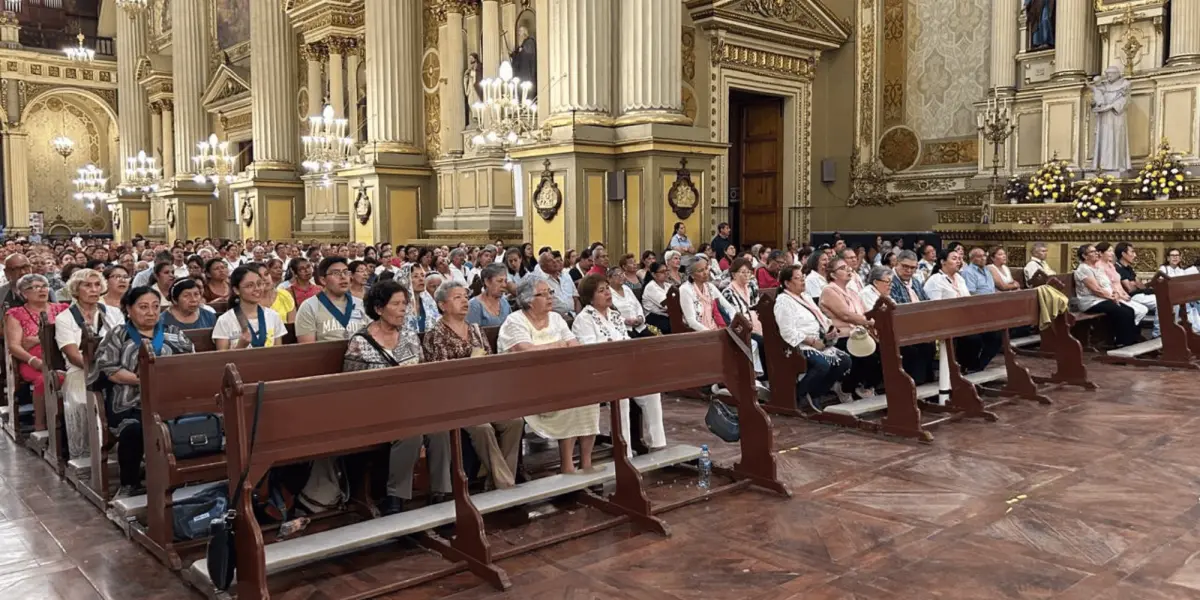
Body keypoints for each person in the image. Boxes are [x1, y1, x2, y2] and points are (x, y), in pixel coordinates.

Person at [342, 279, 450, 515]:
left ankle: (442, 492)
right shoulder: (361, 341)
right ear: (379, 308)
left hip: (411, 405)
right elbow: (351, 387)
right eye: (397, 304)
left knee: (439, 429)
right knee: (410, 433)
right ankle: (396, 497)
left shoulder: (409, 336)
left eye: (405, 303)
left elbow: (422, 372)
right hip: (376, 409)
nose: (403, 309)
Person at [94, 286, 194, 498]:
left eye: (156, 307)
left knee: (191, 423)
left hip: (169, 400)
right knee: (134, 431)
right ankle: (129, 483)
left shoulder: (173, 333)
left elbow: (191, 361)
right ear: (128, 309)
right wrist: (144, 380)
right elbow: (110, 369)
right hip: (129, 403)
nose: (151, 312)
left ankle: (184, 480)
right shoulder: (118, 335)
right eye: (143, 307)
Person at [425, 280, 524, 490]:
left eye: (465, 296)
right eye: (457, 297)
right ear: (443, 305)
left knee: (515, 422)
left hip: (482, 395)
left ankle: (495, 479)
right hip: (455, 400)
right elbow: (441, 376)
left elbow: (490, 364)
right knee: (482, 428)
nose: (464, 301)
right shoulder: (436, 334)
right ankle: (507, 485)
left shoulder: (476, 330)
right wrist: (469, 363)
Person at [498, 275, 594, 474]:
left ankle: (586, 462)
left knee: (589, 398)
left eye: (550, 292)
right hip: (525, 386)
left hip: (559, 379)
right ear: (528, 300)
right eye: (543, 294)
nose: (550, 297)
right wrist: (558, 345)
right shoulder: (514, 321)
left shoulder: (556, 319)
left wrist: (552, 347)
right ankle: (567, 465)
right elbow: (525, 351)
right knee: (570, 398)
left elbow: (575, 347)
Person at [572, 274, 665, 453]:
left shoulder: (615, 315)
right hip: (599, 374)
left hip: (623, 370)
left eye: (607, 288)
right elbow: (591, 352)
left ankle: (658, 445)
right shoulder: (584, 319)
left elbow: (625, 342)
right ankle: (625, 452)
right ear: (590, 298)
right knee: (620, 398)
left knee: (652, 391)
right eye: (601, 290)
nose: (608, 292)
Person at [56, 268, 125, 460]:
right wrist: (102, 369)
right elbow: (72, 355)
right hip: (81, 372)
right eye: (87, 285)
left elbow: (124, 344)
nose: (94, 289)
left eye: (97, 285)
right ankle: (87, 455)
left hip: (115, 369)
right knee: (84, 401)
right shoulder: (64, 318)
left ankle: (124, 450)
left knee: (130, 398)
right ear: (76, 290)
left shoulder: (113, 313)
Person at [774, 265, 851, 411]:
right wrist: (812, 342)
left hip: (818, 340)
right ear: (787, 283)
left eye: (803, 276)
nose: (802, 280)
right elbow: (787, 331)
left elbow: (823, 318)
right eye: (797, 278)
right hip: (799, 345)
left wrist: (830, 330)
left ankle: (816, 392)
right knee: (822, 364)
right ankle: (798, 394)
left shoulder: (806, 296)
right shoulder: (784, 301)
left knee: (845, 361)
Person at [926, 249, 1002, 372]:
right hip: (946, 322)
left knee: (996, 335)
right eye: (954, 259)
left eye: (959, 259)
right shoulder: (936, 280)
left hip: (964, 320)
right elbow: (934, 306)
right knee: (973, 339)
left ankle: (976, 367)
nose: (958, 261)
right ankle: (964, 367)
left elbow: (967, 300)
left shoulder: (959, 278)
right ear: (943, 262)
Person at [819, 257, 881, 399]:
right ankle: (845, 387)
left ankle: (864, 386)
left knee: (884, 352)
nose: (848, 269)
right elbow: (846, 316)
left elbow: (865, 313)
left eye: (848, 267)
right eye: (842, 268)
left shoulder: (852, 292)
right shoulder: (829, 291)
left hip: (859, 334)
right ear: (833, 275)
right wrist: (870, 322)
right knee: (868, 357)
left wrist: (873, 321)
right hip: (841, 336)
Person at [4, 274, 68, 400]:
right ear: (23, 293)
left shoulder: (62, 309)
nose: (42, 290)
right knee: (47, 379)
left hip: (63, 357)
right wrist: (33, 361)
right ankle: (44, 418)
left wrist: (38, 339)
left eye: (44, 286)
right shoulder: (15, 314)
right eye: (35, 287)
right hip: (33, 361)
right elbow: (14, 346)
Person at [1075, 244, 1140, 347]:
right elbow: (1096, 289)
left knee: (1129, 311)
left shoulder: (1097, 268)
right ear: (1084, 256)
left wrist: (1115, 293)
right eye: (1092, 252)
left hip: (1103, 299)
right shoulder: (1083, 269)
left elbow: (1108, 284)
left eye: (1096, 251)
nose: (1096, 253)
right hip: (1091, 302)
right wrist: (1112, 297)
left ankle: (1131, 340)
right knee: (1121, 312)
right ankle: (1122, 343)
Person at [295, 256, 370, 343]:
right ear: (323, 280)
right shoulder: (309, 307)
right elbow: (308, 350)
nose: (343, 277)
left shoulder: (361, 304)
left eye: (346, 272)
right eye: (336, 273)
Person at [213, 266, 288, 350]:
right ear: (236, 290)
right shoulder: (225, 320)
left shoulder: (273, 316)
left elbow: (278, 353)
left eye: (259, 284)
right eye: (249, 286)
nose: (257, 289)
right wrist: (240, 346)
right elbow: (223, 360)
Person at [1096, 242, 1149, 329]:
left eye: (1112, 251)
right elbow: (1109, 285)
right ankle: (1127, 333)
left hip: (1120, 295)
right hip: (1110, 296)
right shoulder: (1099, 267)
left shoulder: (1111, 265)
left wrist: (1124, 294)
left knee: (1143, 309)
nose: (1112, 254)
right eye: (1109, 251)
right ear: (1101, 253)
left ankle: (1132, 331)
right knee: (1131, 311)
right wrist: (1120, 295)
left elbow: (1118, 283)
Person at [1113, 242, 1158, 337]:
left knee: (1167, 300)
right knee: (1161, 302)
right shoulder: (1118, 268)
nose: (1135, 255)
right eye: (1132, 252)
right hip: (1130, 297)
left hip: (1140, 294)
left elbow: (1141, 285)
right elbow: (1130, 289)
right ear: (1124, 254)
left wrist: (1135, 283)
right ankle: (1157, 333)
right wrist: (1135, 284)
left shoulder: (1128, 268)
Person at [606, 266, 649, 338]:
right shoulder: (608, 293)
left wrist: (640, 317)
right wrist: (625, 321)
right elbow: (609, 313)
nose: (620, 276)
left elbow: (638, 305)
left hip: (639, 327)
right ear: (609, 279)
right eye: (617, 275)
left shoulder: (627, 288)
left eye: (622, 274)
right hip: (623, 329)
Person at [641, 261, 671, 334]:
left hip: (667, 316)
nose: (666, 273)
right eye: (662, 271)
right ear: (654, 274)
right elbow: (666, 305)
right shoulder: (651, 287)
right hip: (654, 317)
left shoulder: (667, 285)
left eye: (667, 270)